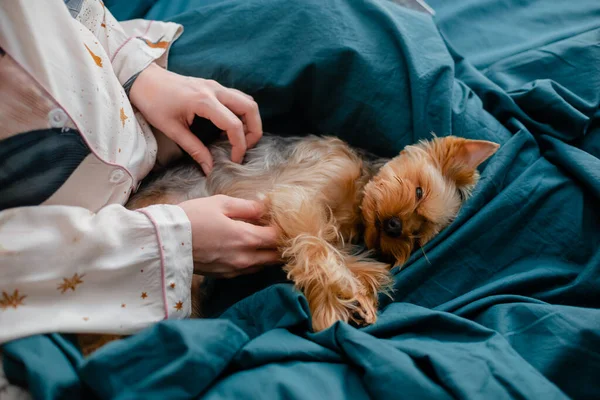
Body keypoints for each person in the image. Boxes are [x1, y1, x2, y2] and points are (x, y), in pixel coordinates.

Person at [0, 0, 280, 344]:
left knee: (310, 23)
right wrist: (163, 242)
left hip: (135, 88)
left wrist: (139, 74)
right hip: (81, 271)